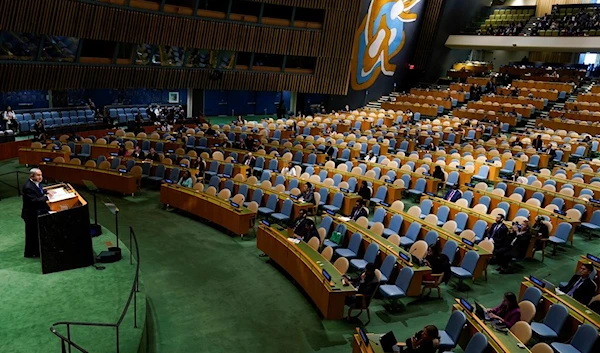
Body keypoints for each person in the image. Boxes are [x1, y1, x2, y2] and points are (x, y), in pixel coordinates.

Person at [21, 168, 51, 258]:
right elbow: (35, 200)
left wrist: (45, 191)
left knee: (36, 233)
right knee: (32, 234)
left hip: (36, 212)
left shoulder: (36, 183)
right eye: (38, 175)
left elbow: (38, 191)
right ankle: (30, 253)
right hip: (30, 214)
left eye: (41, 175)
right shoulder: (28, 187)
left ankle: (37, 251)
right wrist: (46, 197)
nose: (40, 177)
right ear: (32, 176)